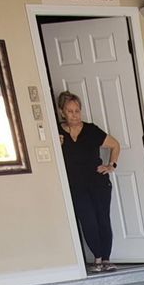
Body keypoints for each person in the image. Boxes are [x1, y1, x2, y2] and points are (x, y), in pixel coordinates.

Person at [57, 91, 122, 274]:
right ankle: (97, 257)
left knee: (102, 219)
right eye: (70, 111)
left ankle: (106, 259)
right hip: (76, 185)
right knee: (88, 221)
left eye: (77, 110)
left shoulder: (91, 130)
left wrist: (111, 165)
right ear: (62, 112)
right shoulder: (57, 133)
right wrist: (55, 144)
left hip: (98, 183)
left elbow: (115, 145)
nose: (74, 115)